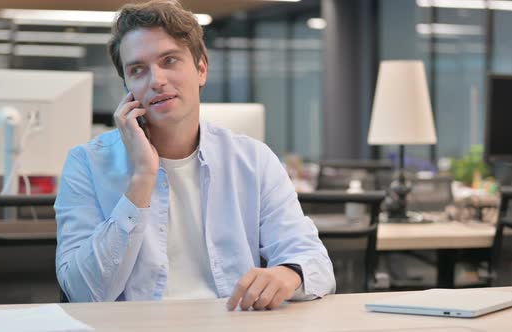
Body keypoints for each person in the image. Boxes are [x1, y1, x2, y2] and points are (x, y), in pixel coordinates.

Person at [54, 0, 335, 311]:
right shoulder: (86, 164)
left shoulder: (253, 160)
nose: (156, 79)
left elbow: (315, 263)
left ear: (201, 69)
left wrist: (288, 273)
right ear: (127, 89)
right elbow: (82, 294)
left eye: (170, 61)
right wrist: (143, 177)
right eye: (138, 70)